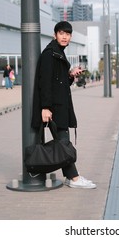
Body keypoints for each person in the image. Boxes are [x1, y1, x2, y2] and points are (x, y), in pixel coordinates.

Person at [31, 21, 96, 189]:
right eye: (61, 33)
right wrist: (45, 107)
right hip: (53, 107)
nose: (65, 36)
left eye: (67, 34)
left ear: (71, 37)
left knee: (63, 142)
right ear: (55, 35)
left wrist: (70, 75)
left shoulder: (58, 53)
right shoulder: (49, 54)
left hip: (59, 105)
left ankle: (71, 177)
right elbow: (44, 82)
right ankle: (74, 178)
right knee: (63, 142)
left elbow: (58, 81)